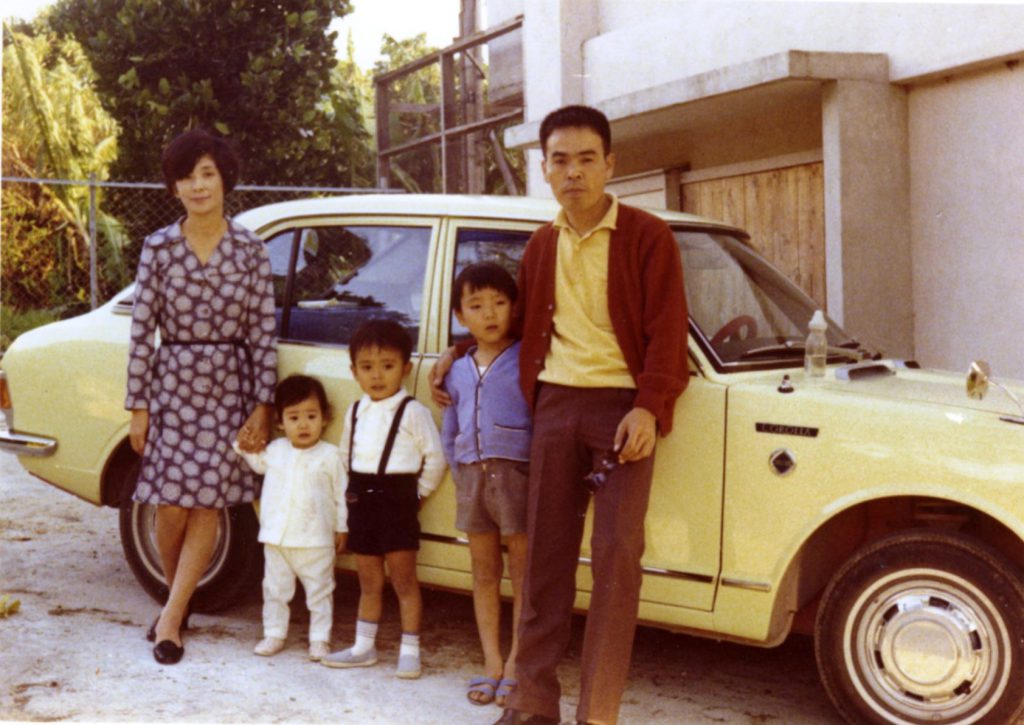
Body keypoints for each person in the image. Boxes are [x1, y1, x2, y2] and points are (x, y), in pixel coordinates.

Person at [433, 105, 689, 724]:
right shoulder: (541, 246)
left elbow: (667, 335)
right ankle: (531, 704)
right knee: (543, 561)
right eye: (560, 161)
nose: (573, 172)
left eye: (585, 159)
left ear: (609, 164)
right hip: (550, 411)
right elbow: (513, 328)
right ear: (544, 169)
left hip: (623, 414)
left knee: (615, 561)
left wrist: (649, 409)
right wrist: (462, 350)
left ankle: (597, 713)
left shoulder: (648, 237)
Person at [125, 128, 278, 665]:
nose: (198, 185)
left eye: (207, 173)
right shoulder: (159, 248)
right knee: (169, 506)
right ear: (174, 187)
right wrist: (138, 405)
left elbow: (263, 332)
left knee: (207, 504)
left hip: (227, 389)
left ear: (224, 179)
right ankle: (179, 598)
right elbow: (142, 330)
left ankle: (171, 619)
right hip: (171, 387)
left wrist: (262, 404)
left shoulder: (250, 249)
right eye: (186, 176)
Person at [321, 319, 446, 680]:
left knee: (404, 580)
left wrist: (418, 495)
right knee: (369, 580)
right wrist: (345, 510)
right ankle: (364, 646)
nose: (377, 376)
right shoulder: (356, 410)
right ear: (354, 372)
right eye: (367, 368)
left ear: (405, 369)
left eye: (388, 366)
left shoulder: (413, 412)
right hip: (362, 498)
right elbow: (345, 458)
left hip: (398, 500)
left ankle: (410, 650)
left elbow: (435, 457)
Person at [441, 263, 531, 707]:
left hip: (517, 477)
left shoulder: (527, 357)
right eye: (476, 305)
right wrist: (458, 469)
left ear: (514, 308)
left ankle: (517, 663)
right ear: (460, 315)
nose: (489, 313)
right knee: (483, 574)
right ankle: (492, 661)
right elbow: (451, 425)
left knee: (523, 573)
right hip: (473, 478)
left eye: (499, 302)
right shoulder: (456, 368)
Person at [233, 375, 346, 662]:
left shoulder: (331, 456)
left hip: (315, 540)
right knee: (275, 589)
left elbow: (341, 495)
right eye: (294, 417)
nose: (304, 424)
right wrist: (242, 446)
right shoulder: (276, 450)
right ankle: (274, 633)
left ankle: (320, 639)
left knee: (320, 592)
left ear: (325, 417)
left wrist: (342, 527)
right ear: (281, 422)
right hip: (276, 537)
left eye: (311, 416)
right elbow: (257, 464)